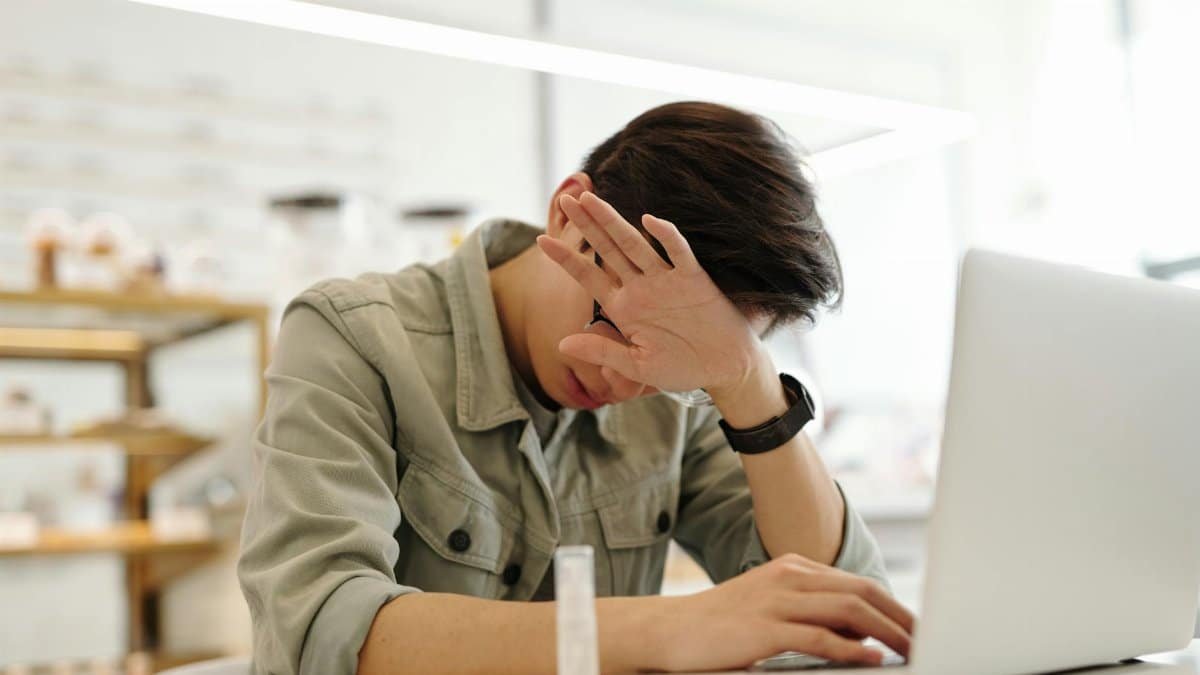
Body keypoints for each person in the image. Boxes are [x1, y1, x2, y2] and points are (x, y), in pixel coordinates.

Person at [237, 101, 915, 675]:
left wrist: (746, 381)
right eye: (613, 320)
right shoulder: (351, 337)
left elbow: (839, 616)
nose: (625, 377)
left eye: (670, 359)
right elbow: (319, 628)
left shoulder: (683, 392)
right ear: (569, 214)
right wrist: (661, 628)